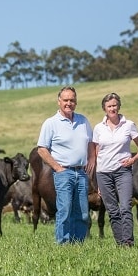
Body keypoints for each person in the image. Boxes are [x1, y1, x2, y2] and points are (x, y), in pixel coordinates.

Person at [37, 86, 95, 244]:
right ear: (59, 102)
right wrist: (57, 168)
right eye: (66, 100)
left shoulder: (83, 120)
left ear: (76, 102)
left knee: (82, 212)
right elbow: (42, 149)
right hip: (64, 173)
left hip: (81, 173)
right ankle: (63, 245)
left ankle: (78, 244)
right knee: (65, 210)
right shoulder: (51, 123)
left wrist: (92, 159)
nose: (69, 103)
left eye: (72, 100)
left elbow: (91, 142)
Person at [92, 92, 138, 247]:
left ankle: (129, 242)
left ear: (119, 106)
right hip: (103, 173)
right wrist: (97, 182)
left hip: (123, 171)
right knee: (113, 210)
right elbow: (96, 154)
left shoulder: (128, 125)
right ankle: (120, 242)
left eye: (115, 105)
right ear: (104, 108)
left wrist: (133, 159)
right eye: (109, 106)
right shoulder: (98, 128)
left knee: (125, 207)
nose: (112, 108)